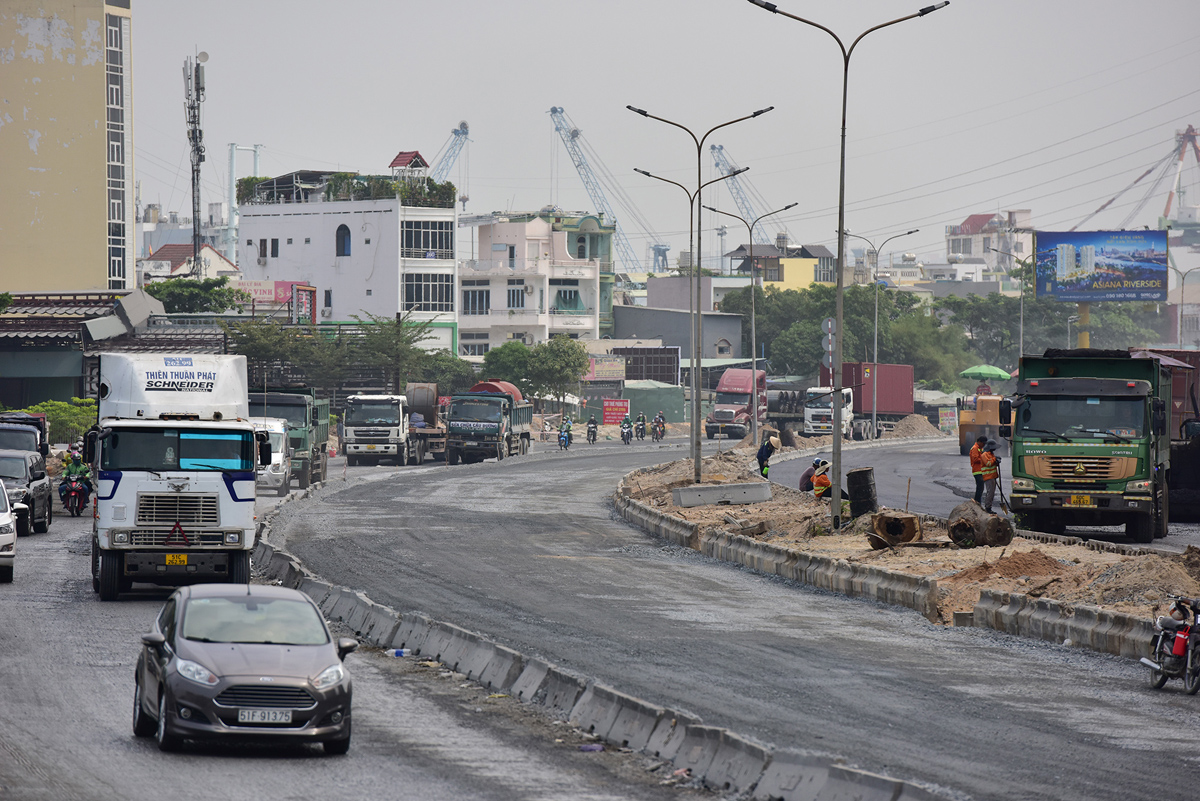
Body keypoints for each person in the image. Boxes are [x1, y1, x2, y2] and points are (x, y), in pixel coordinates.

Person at [980, 440, 1001, 514]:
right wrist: (995, 459)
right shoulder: (984, 454)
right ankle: (988, 508)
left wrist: (996, 462)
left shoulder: (991, 454)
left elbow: (992, 463)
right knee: (990, 493)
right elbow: (988, 463)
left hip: (993, 476)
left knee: (992, 493)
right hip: (988, 477)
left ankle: (989, 506)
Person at [969, 435, 988, 505]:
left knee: (981, 488)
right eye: (983, 443)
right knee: (980, 488)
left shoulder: (980, 448)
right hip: (977, 471)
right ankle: (977, 502)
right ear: (979, 442)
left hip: (981, 471)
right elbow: (975, 459)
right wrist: (984, 459)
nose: (984, 445)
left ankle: (977, 502)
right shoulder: (975, 448)